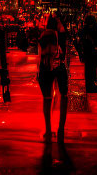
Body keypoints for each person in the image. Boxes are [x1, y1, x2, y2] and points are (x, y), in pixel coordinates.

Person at [38, 15, 69, 143]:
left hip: (45, 68)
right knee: (64, 95)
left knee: (47, 99)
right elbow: (65, 52)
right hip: (59, 67)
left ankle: (48, 128)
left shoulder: (43, 37)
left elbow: (39, 54)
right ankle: (61, 127)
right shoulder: (61, 35)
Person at [80, 14, 97, 92]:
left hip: (88, 53)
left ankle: (90, 85)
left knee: (89, 70)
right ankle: (96, 84)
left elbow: (82, 41)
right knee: (96, 69)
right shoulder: (96, 29)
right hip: (95, 52)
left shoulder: (84, 30)